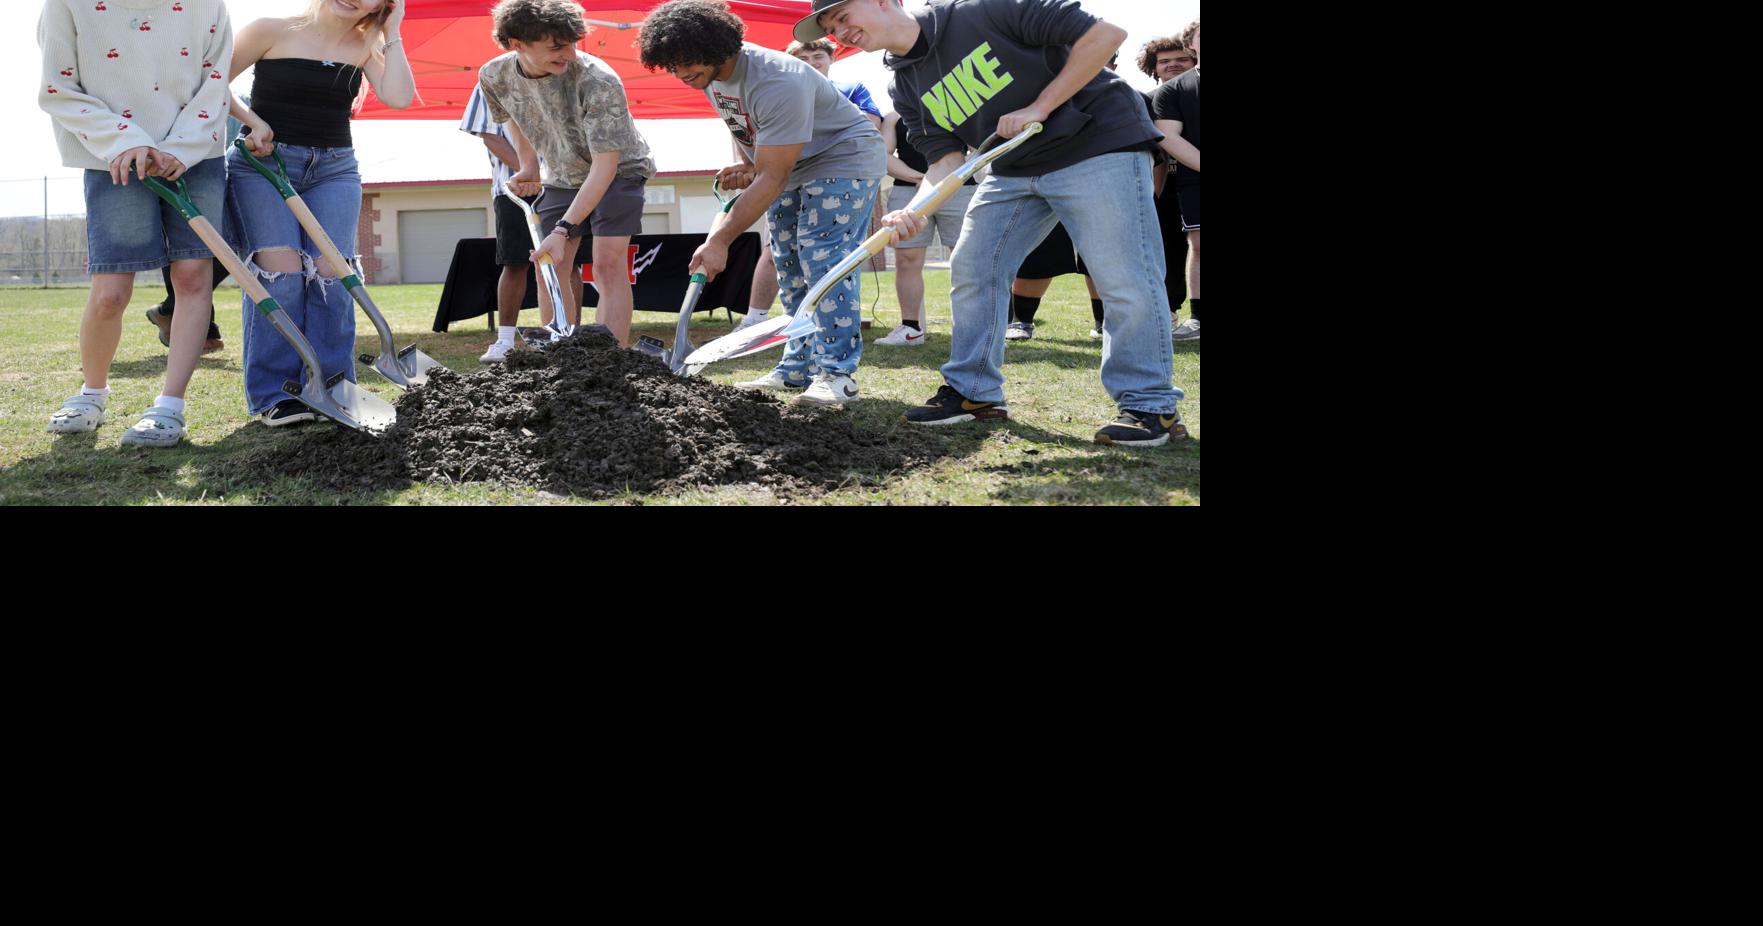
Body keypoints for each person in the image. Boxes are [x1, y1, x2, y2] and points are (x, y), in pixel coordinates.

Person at [811, 0, 1187, 445]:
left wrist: (1041, 106)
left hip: (1098, 145)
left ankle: (1149, 406)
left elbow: (1106, 35)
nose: (840, 32)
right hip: (1013, 168)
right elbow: (946, 161)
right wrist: (916, 208)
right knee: (973, 267)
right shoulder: (906, 86)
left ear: (883, 2)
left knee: (1123, 276)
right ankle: (974, 393)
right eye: (831, 27)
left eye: (843, 16)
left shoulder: (982, 12)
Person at [639, 0, 885, 407]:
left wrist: (719, 240)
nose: (682, 73)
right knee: (787, 263)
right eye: (672, 65)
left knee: (822, 258)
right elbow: (755, 140)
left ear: (718, 44)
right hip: (794, 163)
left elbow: (774, 176)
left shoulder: (776, 79)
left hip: (844, 157)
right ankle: (796, 369)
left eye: (688, 61)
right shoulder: (712, 78)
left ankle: (837, 374)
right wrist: (748, 166)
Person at [39, 0, 236, 447]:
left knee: (191, 277)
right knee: (111, 292)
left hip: (195, 154)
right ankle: (92, 394)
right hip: (112, 155)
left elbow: (216, 82)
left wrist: (181, 148)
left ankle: (170, 407)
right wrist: (127, 139)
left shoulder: (208, 5)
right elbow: (57, 87)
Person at [226, 0, 414, 426]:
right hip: (265, 163)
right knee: (283, 273)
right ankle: (278, 393)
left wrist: (393, 29)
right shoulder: (270, 29)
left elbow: (399, 97)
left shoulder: (367, 46)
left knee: (334, 272)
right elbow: (208, 80)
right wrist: (251, 120)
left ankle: (331, 386)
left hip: (335, 168)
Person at [478, 0, 655, 346]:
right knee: (550, 267)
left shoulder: (598, 80)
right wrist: (528, 164)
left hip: (619, 171)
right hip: (561, 175)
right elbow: (512, 116)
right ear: (517, 44)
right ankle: (560, 357)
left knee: (606, 264)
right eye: (557, 47)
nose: (570, 54)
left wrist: (562, 229)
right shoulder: (494, 75)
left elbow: (605, 166)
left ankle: (609, 359)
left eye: (573, 43)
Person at [732, 35, 884, 333]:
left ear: (832, 60)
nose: (812, 63)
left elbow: (870, 125)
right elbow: (747, 130)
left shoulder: (849, 90)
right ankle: (782, 343)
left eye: (818, 57)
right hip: (785, 176)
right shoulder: (775, 88)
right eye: (803, 58)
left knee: (822, 257)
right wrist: (751, 163)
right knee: (781, 256)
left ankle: (832, 357)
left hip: (835, 173)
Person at [459, 82, 546, 363]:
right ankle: (505, 339)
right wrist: (529, 172)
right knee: (514, 262)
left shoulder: (560, 71)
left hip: (563, 187)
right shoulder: (492, 80)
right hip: (512, 189)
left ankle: (564, 334)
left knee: (566, 263)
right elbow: (489, 135)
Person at [1151, 19, 1199, 342]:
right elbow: (1167, 136)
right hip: (1194, 179)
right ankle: (1198, 319)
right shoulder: (1172, 91)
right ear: (1193, 45)